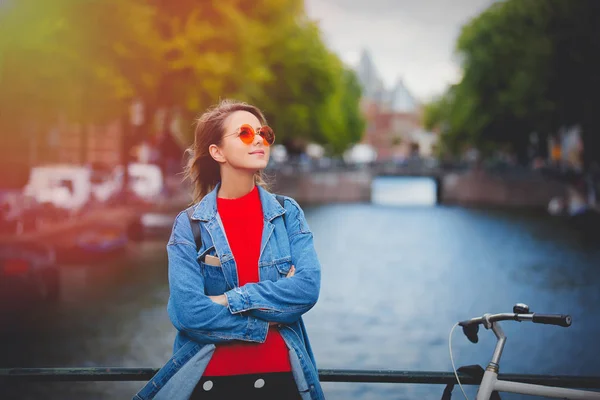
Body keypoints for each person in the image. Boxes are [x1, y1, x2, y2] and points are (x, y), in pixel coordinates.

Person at [134, 99, 324, 400]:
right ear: (217, 151)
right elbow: (187, 313)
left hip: (283, 383)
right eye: (245, 134)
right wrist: (267, 321)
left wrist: (226, 299)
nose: (259, 139)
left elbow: (307, 288)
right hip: (210, 385)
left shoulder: (288, 214)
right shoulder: (190, 225)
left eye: (264, 133)